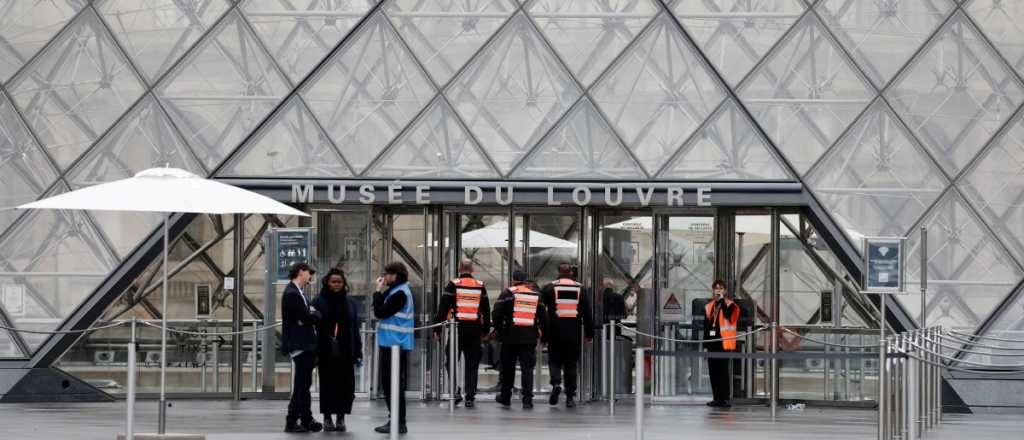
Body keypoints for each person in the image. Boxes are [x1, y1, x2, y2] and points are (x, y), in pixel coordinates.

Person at [434, 258, 490, 408]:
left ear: (459, 269)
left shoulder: (453, 284)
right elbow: (486, 309)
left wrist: (437, 329)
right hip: (474, 329)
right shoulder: (480, 286)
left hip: (457, 329)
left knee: (451, 361)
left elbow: (443, 308)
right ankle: (470, 396)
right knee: (472, 364)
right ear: (472, 270)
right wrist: (485, 331)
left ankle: (456, 391)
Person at [312, 268, 362, 432]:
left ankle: (341, 417)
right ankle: (327, 417)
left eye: (339, 282)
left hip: (346, 350)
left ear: (344, 284)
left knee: (346, 386)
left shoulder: (350, 302)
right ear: (327, 282)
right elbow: (315, 328)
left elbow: (355, 328)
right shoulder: (318, 301)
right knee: (327, 384)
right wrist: (316, 352)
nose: (336, 285)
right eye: (333, 281)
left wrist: (358, 350)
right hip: (326, 350)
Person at [541, 263, 594, 408]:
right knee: (571, 364)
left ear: (558, 271)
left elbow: (540, 309)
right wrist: (589, 333)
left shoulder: (550, 288)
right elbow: (587, 314)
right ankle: (570, 396)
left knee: (554, 361)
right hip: (573, 333)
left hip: (555, 332)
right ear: (571, 272)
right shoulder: (580, 289)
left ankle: (556, 383)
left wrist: (542, 333)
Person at [492, 270, 546, 409]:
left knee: (508, 368)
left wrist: (499, 329)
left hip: (510, 337)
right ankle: (527, 400)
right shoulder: (535, 295)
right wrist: (543, 334)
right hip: (529, 337)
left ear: (513, 279)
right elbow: (544, 318)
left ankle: (505, 397)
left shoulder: (507, 293)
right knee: (527, 369)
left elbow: (496, 313)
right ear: (525, 280)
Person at [281, 263, 323, 433]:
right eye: (308, 272)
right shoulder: (292, 293)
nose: (310, 275)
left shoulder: (298, 292)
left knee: (304, 383)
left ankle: (305, 419)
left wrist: (311, 314)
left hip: (304, 342)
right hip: (300, 343)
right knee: (301, 384)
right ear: (300, 272)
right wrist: (314, 314)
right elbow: (306, 317)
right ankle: (292, 420)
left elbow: (306, 317)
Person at [373, 262, 414, 435]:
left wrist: (376, 291)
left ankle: (399, 421)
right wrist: (381, 291)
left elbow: (380, 312)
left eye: (388, 274)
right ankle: (395, 419)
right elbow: (382, 307)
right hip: (391, 343)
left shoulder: (400, 293)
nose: (386, 277)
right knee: (390, 384)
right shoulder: (397, 291)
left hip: (395, 345)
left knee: (394, 385)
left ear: (396, 275)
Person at [704, 279, 740, 408]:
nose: (718, 290)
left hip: (724, 343)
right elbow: (706, 326)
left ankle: (725, 399)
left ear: (725, 291)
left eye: (721, 288)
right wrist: (705, 344)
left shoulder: (730, 305)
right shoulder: (709, 306)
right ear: (713, 290)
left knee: (723, 372)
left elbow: (728, 316)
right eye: (716, 288)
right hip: (712, 343)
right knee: (713, 372)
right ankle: (716, 398)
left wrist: (722, 301)